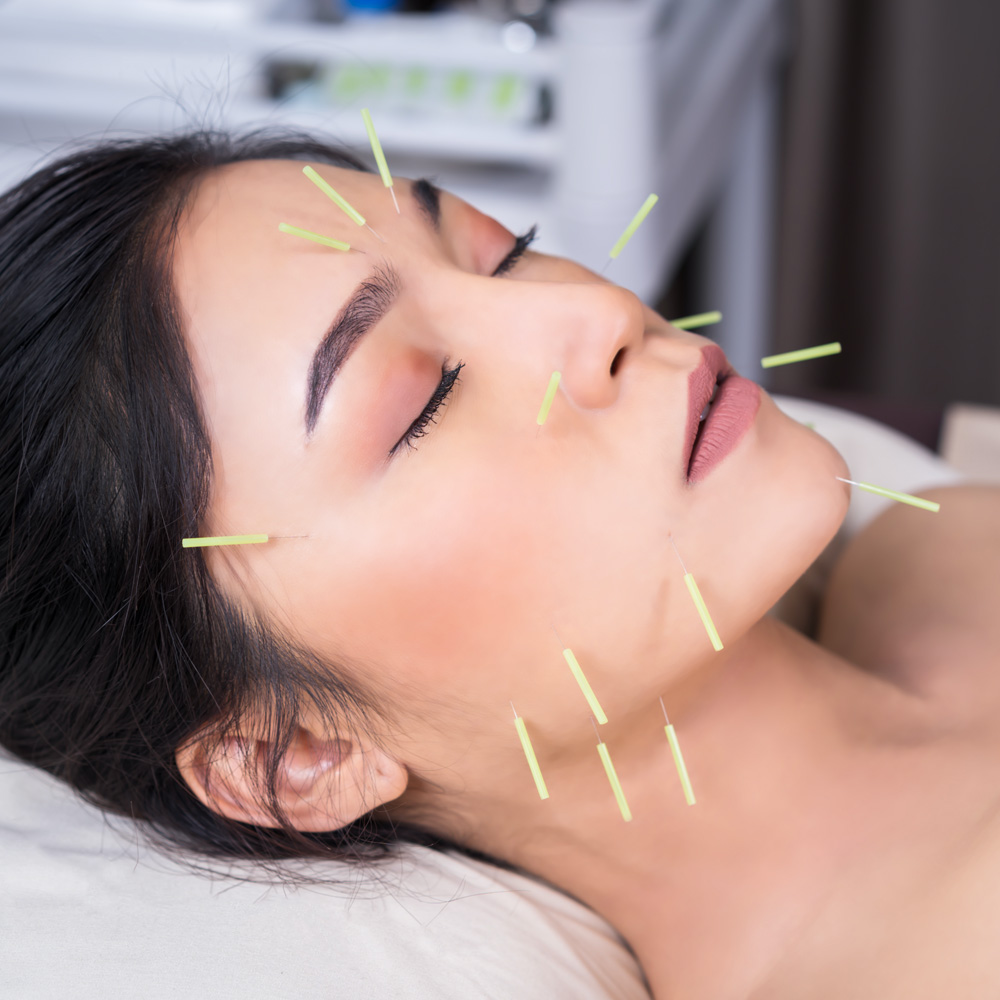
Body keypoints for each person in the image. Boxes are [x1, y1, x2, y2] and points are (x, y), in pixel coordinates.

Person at [1, 130, 997, 999]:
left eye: (501, 254)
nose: (594, 313)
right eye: (424, 399)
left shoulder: (935, 553)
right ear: (295, 756)